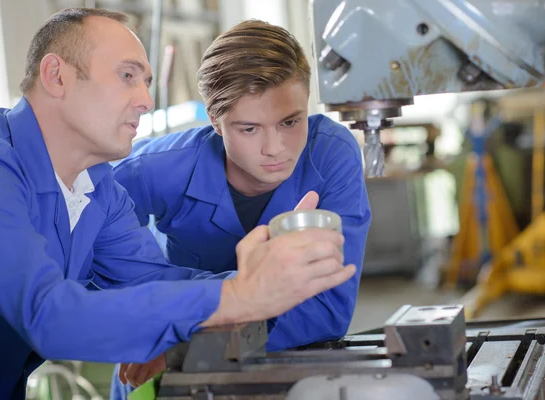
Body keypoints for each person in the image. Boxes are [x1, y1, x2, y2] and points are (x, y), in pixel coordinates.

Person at [0, 8, 357, 399]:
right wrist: (238, 296)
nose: (145, 99)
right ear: (57, 75)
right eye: (127, 76)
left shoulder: (96, 188)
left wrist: (272, 282)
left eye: (145, 81)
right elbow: (48, 316)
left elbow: (152, 281)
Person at [110, 19, 372, 395]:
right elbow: (98, 273)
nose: (275, 148)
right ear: (216, 122)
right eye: (249, 128)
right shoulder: (151, 172)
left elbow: (328, 310)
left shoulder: (330, 153)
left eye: (290, 121)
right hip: (156, 372)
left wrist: (188, 338)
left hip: (273, 366)